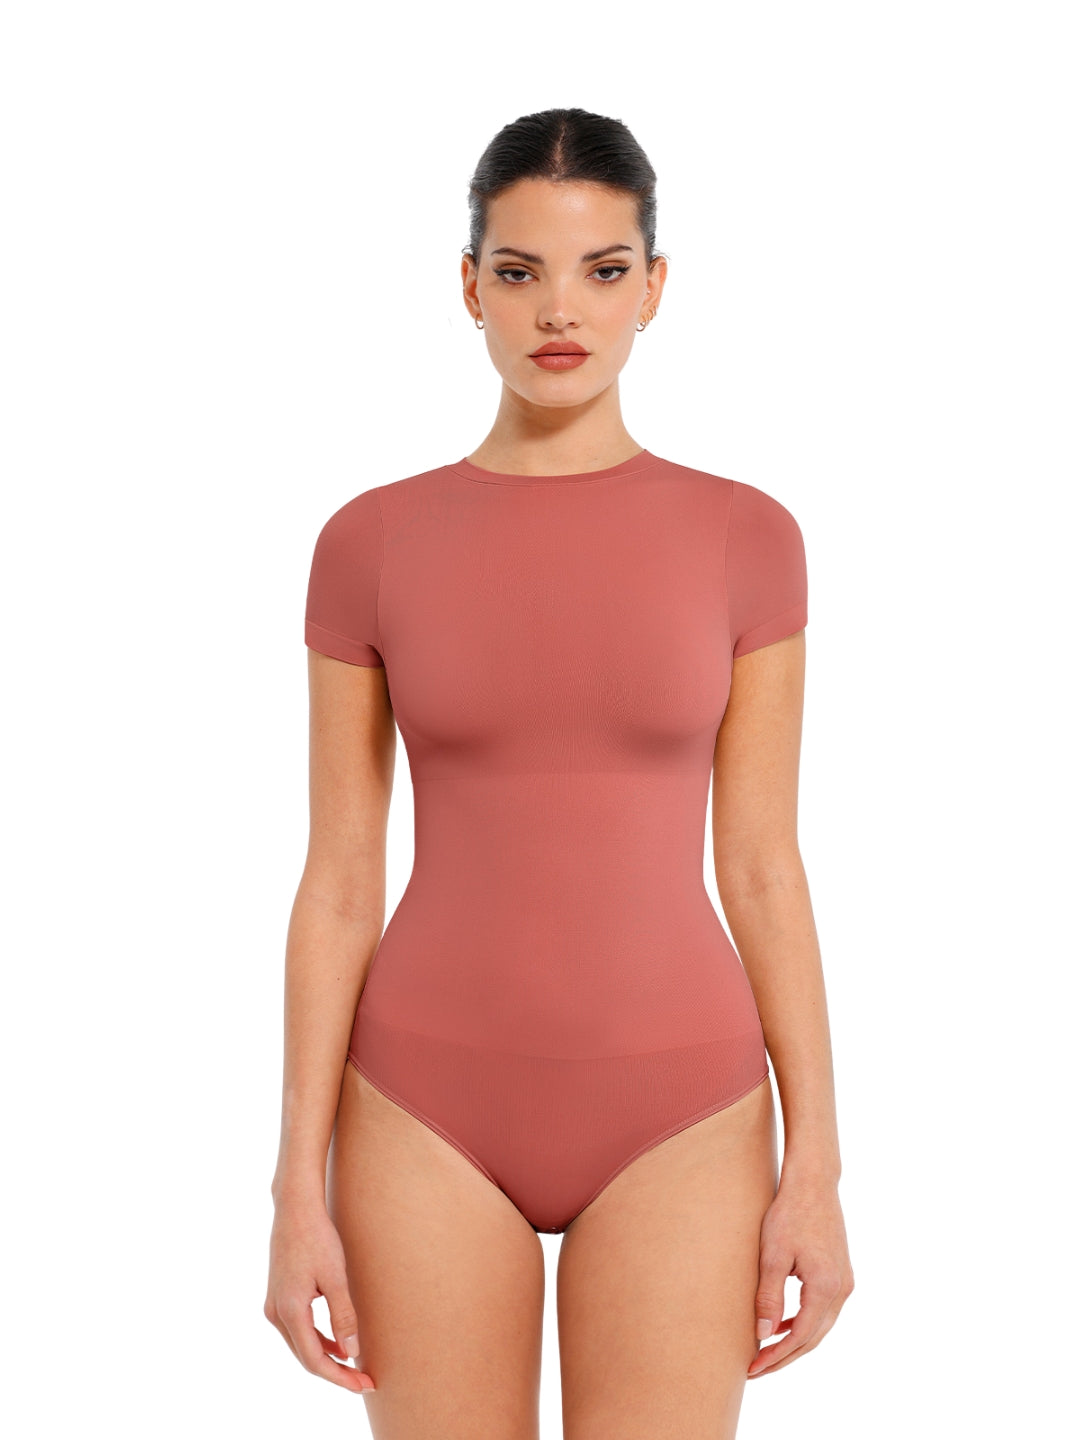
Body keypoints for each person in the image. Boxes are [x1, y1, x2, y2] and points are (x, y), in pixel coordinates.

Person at [265, 106, 853, 1439]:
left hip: (683, 1107)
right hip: (420, 1102)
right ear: (471, 285)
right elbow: (339, 879)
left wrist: (817, 1165)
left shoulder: (748, 537)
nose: (559, 310)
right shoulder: (368, 542)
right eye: (520, 270)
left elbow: (764, 866)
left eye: (602, 269)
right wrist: (295, 1185)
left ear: (656, 286)